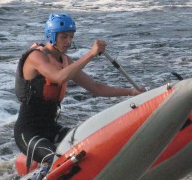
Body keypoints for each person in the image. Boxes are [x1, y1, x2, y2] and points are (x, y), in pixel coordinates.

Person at [14, 13, 145, 171]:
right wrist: (90, 54)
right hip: (28, 132)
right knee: (58, 161)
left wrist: (131, 92)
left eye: (71, 36)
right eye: (64, 37)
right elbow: (59, 77)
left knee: (89, 148)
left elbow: (95, 87)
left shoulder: (66, 61)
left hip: (50, 128)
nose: (68, 42)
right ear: (52, 36)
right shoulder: (36, 57)